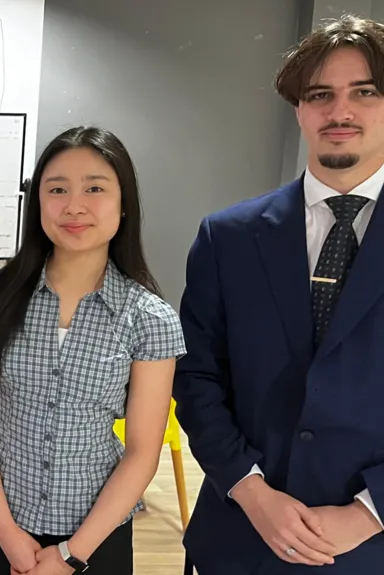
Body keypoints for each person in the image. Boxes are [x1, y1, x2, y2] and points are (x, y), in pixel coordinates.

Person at [174, 14, 384, 575]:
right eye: (321, 94)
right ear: (299, 108)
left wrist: (370, 512)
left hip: (371, 548)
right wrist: (250, 491)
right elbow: (196, 378)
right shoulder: (229, 236)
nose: (340, 112)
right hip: (240, 538)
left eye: (364, 92)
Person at [0, 126, 186, 575]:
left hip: (96, 535)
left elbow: (142, 451)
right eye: (57, 189)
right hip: (5, 526)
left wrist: (71, 554)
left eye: (95, 189)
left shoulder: (150, 318)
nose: (74, 206)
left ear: (123, 205)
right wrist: (6, 533)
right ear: (38, 202)